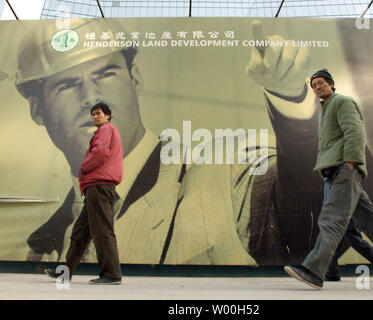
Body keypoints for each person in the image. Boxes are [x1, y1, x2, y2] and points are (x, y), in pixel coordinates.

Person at [13, 19, 329, 269]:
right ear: (38, 109)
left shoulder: (226, 172)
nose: (91, 98)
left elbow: (318, 218)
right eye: (67, 86)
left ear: (134, 79)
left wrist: (294, 103)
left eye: (106, 74)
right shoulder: (38, 245)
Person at [284, 69, 373, 289]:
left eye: (321, 83)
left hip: (344, 169)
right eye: (314, 85)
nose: (317, 87)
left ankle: (313, 270)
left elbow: (355, 131)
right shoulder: (326, 108)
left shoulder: (342, 102)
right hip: (338, 171)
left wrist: (351, 161)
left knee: (331, 219)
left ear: (331, 84)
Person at [46, 102, 123, 285]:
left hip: (99, 185)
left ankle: (112, 274)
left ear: (108, 116)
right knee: (80, 232)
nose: (95, 117)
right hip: (96, 187)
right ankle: (65, 273)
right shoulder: (105, 130)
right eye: (93, 114)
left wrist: (83, 168)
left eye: (99, 113)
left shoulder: (106, 129)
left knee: (102, 230)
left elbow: (99, 154)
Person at [323, 179, 373, 282]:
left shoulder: (341, 169)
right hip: (334, 197)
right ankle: (331, 271)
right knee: (336, 238)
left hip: (341, 200)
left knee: (353, 239)